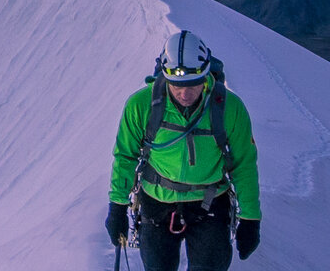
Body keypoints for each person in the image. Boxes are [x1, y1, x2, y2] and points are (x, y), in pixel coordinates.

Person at [106, 30, 260, 270]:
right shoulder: (140, 105)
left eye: (193, 84)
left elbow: (244, 163)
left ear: (206, 76)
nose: (185, 93)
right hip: (157, 204)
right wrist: (117, 207)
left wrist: (250, 218)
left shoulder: (230, 108)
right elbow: (125, 156)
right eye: (176, 85)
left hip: (210, 203)